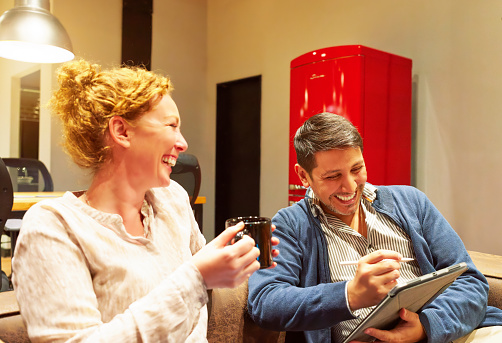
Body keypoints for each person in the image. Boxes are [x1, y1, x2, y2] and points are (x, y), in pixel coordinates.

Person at [12, 59, 278, 342]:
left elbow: (198, 273)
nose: (183, 143)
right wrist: (197, 279)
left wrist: (232, 259)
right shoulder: (54, 226)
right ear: (122, 131)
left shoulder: (172, 198)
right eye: (172, 126)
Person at [248, 112, 502, 343]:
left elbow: (469, 280)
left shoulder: (410, 202)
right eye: (333, 176)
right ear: (303, 176)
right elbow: (266, 302)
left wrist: (425, 327)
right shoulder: (291, 225)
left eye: (356, 169)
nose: (349, 187)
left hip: (443, 334)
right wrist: (350, 295)